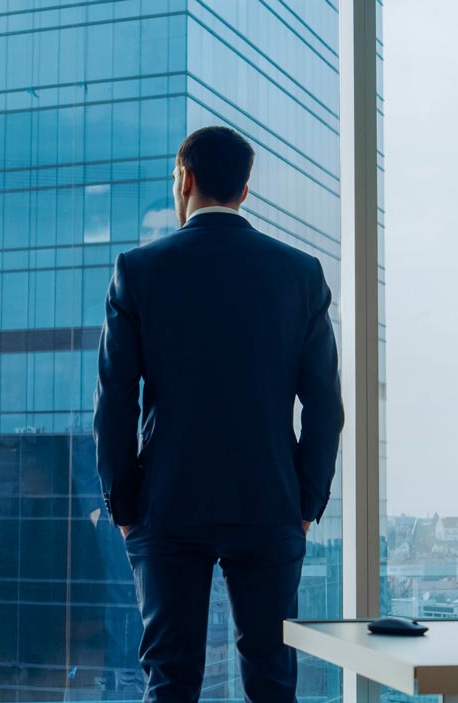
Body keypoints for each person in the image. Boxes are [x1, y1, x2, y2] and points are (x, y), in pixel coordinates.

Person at [93, 125, 344, 702]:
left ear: (185, 179)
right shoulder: (300, 274)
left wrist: (125, 506)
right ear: (245, 192)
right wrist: (304, 502)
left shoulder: (138, 271)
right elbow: (326, 407)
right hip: (269, 503)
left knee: (171, 680)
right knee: (271, 680)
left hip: (168, 504)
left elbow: (114, 401)